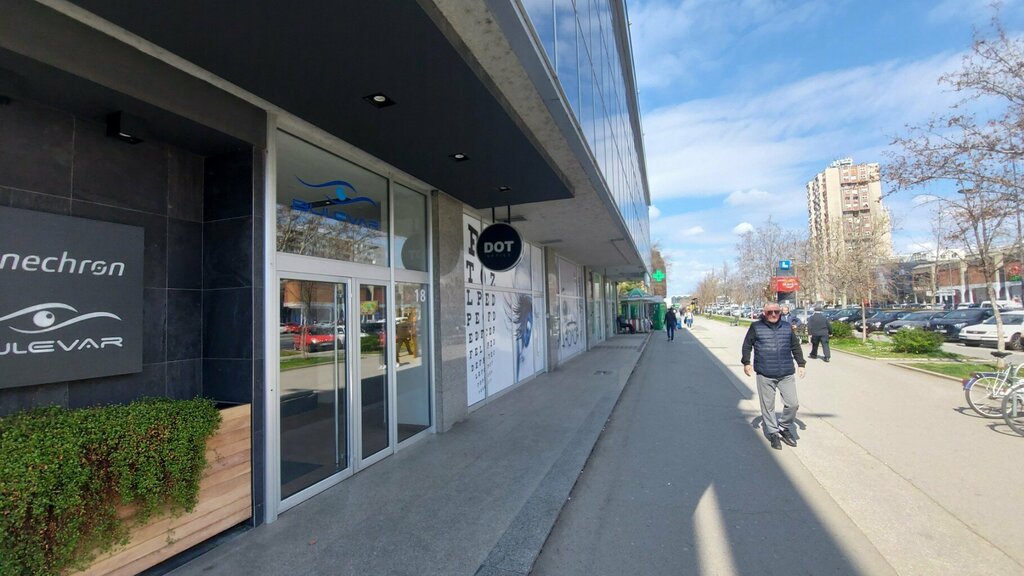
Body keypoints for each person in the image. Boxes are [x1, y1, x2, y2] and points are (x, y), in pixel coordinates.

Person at [741, 302, 806, 450]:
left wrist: (801, 364)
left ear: (780, 312)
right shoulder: (756, 327)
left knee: (793, 403)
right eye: (770, 312)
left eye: (776, 311)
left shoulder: (787, 327)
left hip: (786, 372)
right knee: (768, 406)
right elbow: (747, 345)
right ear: (764, 313)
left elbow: (795, 346)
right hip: (765, 373)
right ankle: (773, 432)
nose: (774, 314)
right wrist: (746, 362)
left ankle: (783, 426)